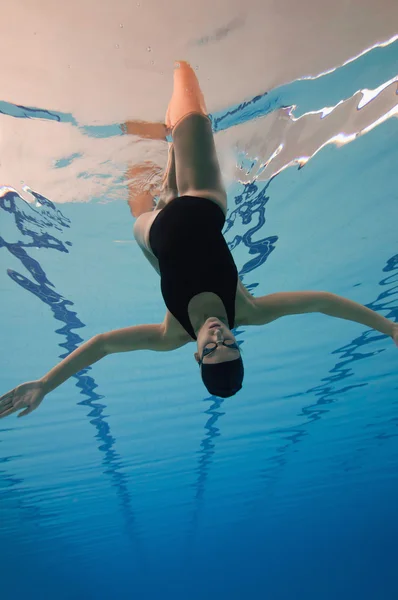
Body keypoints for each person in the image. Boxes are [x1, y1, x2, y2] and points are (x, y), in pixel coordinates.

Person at [1, 61, 397, 419]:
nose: (217, 335)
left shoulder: (170, 334)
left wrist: (45, 384)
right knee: (187, 89)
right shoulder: (247, 309)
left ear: (196, 355)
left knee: (139, 186)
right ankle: (172, 126)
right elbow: (322, 302)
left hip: (152, 232)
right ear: (239, 345)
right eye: (229, 344)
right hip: (202, 199)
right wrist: (391, 329)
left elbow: (103, 345)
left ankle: (161, 150)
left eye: (210, 348)